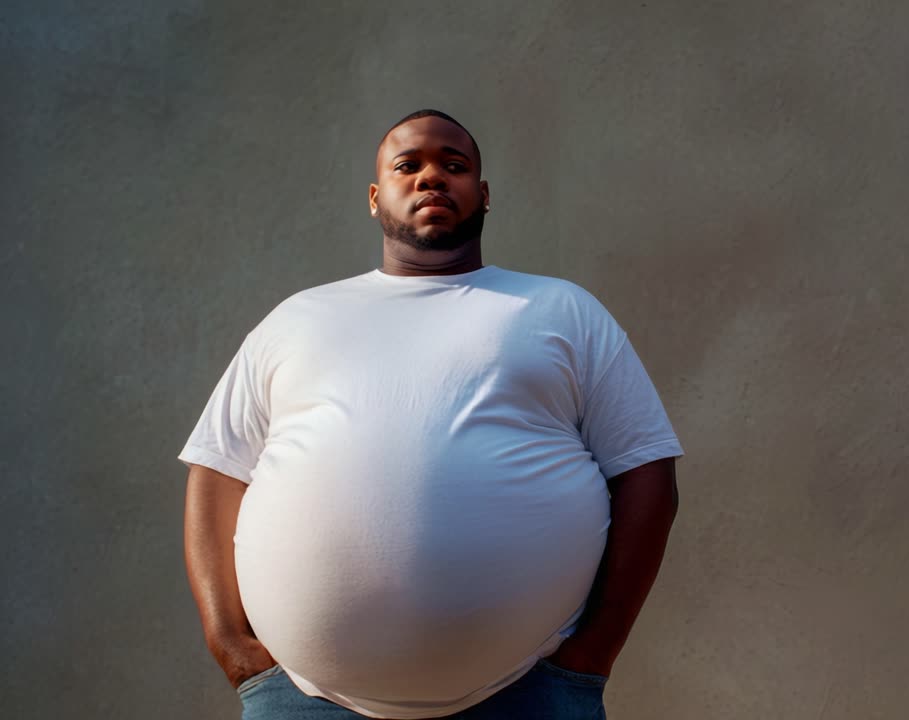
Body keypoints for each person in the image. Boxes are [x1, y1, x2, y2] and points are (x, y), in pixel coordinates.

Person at [180, 109, 684, 720]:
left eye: (454, 165)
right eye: (408, 165)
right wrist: (230, 645)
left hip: (527, 694)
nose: (431, 178)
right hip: (304, 699)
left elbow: (646, 473)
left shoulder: (561, 309)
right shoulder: (297, 319)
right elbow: (216, 473)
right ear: (375, 197)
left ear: (484, 194)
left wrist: (594, 653)